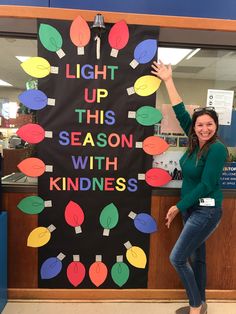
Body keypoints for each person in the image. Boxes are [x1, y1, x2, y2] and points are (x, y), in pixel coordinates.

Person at [151, 60, 228, 314]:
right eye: (200, 125)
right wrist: (168, 80)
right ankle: (202, 302)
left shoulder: (216, 149)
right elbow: (181, 112)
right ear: (194, 129)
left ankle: (195, 307)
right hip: (192, 209)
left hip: (206, 211)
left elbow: (207, 184)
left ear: (216, 126)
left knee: (177, 258)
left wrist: (177, 206)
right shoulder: (195, 142)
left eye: (209, 124)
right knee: (197, 257)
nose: (204, 128)